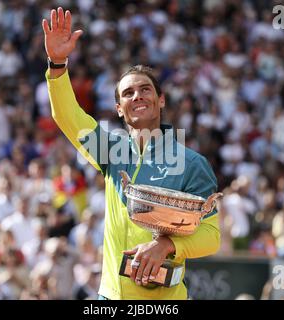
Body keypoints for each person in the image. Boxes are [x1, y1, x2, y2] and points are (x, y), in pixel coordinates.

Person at [42, 7, 220, 300]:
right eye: (127, 93)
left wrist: (167, 245)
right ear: (118, 109)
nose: (137, 96)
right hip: (110, 298)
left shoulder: (191, 163)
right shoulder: (110, 150)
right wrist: (58, 64)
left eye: (145, 89)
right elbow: (68, 116)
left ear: (160, 100)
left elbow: (211, 236)